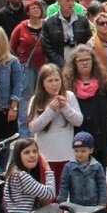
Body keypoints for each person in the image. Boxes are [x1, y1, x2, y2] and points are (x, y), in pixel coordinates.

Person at [66, 44, 107, 168]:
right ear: (74, 63)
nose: (84, 63)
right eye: (80, 60)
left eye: (87, 59)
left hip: (100, 142)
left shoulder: (105, 83)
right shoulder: (68, 86)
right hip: (76, 142)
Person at [27, 63, 83, 192]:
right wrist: (50, 110)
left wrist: (65, 107)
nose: (54, 84)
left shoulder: (69, 96)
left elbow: (78, 121)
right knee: (47, 193)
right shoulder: (36, 100)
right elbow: (33, 127)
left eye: (57, 80)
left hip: (65, 154)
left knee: (61, 194)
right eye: (50, 81)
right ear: (42, 83)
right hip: (45, 155)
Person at [9, 0, 47, 137]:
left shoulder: (47, 25)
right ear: (28, 11)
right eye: (33, 8)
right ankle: (24, 132)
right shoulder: (21, 27)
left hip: (44, 66)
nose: (36, 10)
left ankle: (41, 128)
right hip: (26, 66)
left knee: (43, 96)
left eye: (38, 7)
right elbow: (11, 47)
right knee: (25, 97)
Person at [0, 138, 55, 213]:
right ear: (18, 156)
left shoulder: (14, 172)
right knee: (57, 209)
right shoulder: (21, 176)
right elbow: (50, 193)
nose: (32, 155)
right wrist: (48, 170)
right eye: (27, 152)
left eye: (35, 151)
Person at [58, 131, 107, 213]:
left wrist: (103, 201)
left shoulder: (97, 166)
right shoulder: (68, 167)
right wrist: (62, 200)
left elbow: (102, 184)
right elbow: (64, 184)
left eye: (83, 151)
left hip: (93, 205)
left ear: (91, 150)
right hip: (75, 206)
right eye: (76, 151)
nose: (79, 154)